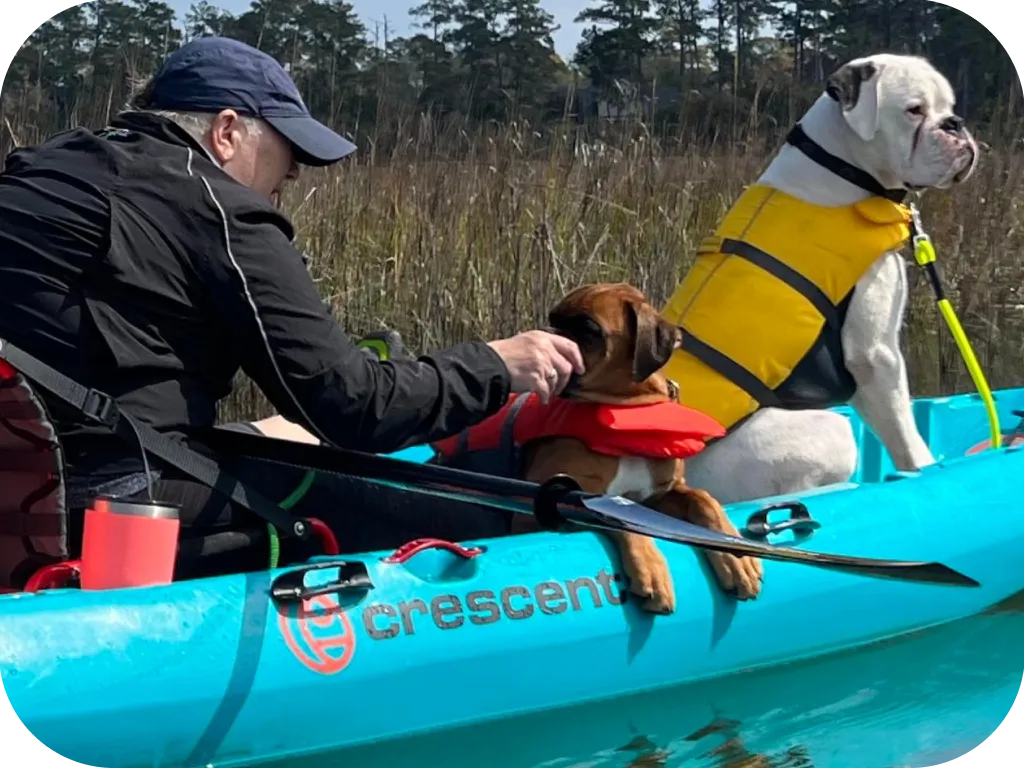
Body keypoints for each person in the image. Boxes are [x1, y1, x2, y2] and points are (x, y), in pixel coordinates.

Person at [0, 36, 583, 578]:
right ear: (226, 132)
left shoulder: (37, 171)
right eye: (286, 151)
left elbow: (98, 368)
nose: (292, 176)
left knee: (269, 442)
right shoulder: (219, 208)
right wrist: (496, 364)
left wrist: (254, 430)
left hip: (24, 498)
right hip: (113, 513)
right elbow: (357, 410)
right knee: (451, 513)